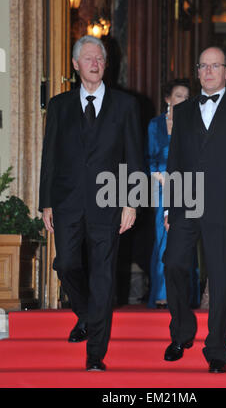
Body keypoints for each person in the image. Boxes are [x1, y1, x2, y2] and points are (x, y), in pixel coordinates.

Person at [39, 35, 143, 372]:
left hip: (110, 202)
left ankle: (95, 354)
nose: (94, 63)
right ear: (75, 65)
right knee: (66, 264)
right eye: (87, 58)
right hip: (67, 202)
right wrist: (46, 202)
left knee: (103, 276)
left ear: (106, 63)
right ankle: (85, 314)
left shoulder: (126, 105)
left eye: (99, 58)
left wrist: (132, 202)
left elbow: (134, 157)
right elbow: (49, 157)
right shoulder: (58, 105)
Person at [163, 47, 226, 374]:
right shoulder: (184, 111)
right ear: (198, 71)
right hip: (186, 203)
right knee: (173, 263)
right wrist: (170, 206)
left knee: (220, 278)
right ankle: (181, 330)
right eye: (203, 66)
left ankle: (217, 349)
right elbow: (175, 162)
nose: (208, 72)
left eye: (215, 66)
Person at [146, 79, 199, 309]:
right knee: (162, 240)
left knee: (186, 240)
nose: (182, 100)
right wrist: (158, 176)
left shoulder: (193, 125)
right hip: (160, 188)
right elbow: (146, 156)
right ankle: (161, 293)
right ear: (168, 98)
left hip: (187, 187)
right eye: (178, 96)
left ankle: (186, 295)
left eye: (186, 97)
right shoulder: (154, 125)